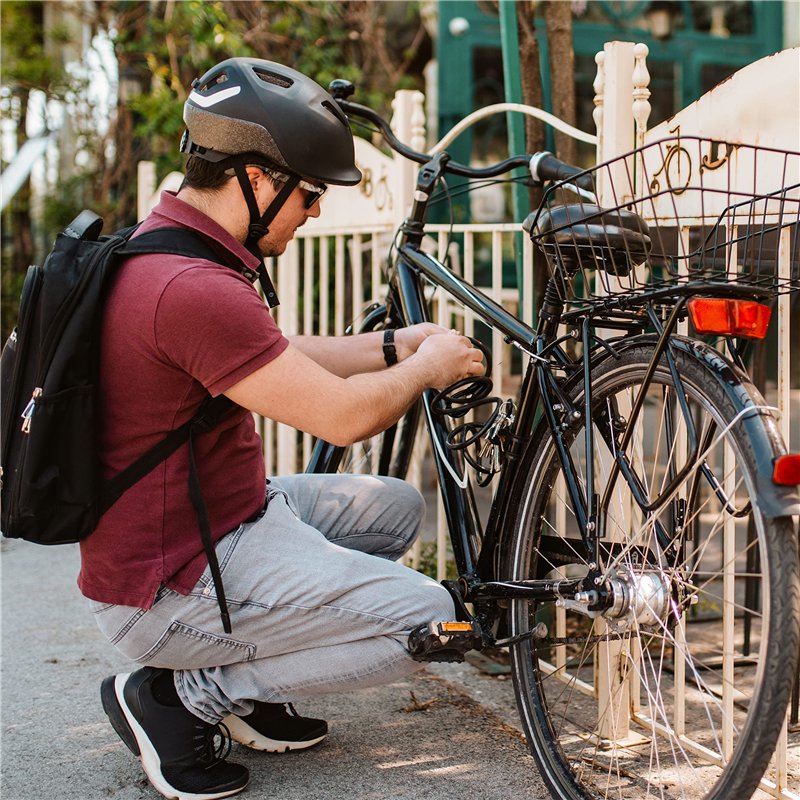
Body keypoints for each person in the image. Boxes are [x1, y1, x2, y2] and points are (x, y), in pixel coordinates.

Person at [86, 57, 484, 800]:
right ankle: (179, 698)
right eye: (307, 193)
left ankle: (247, 690)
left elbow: (278, 354)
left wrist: (397, 344)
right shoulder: (192, 287)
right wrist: (426, 371)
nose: (317, 211)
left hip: (216, 521)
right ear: (257, 180)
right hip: (170, 584)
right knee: (430, 620)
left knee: (392, 506)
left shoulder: (171, 248)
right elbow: (343, 415)